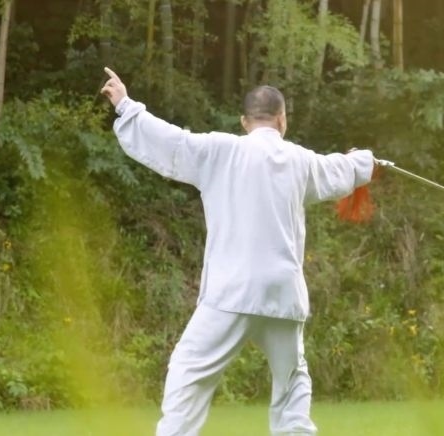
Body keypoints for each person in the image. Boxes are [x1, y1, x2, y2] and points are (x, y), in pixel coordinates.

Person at [99, 67, 376, 436]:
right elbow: (339, 169)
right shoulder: (301, 160)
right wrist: (365, 161)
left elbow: (172, 142)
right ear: (282, 120)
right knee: (292, 385)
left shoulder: (221, 150)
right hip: (283, 293)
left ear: (245, 122)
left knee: (188, 371)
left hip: (233, 290)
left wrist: (126, 106)